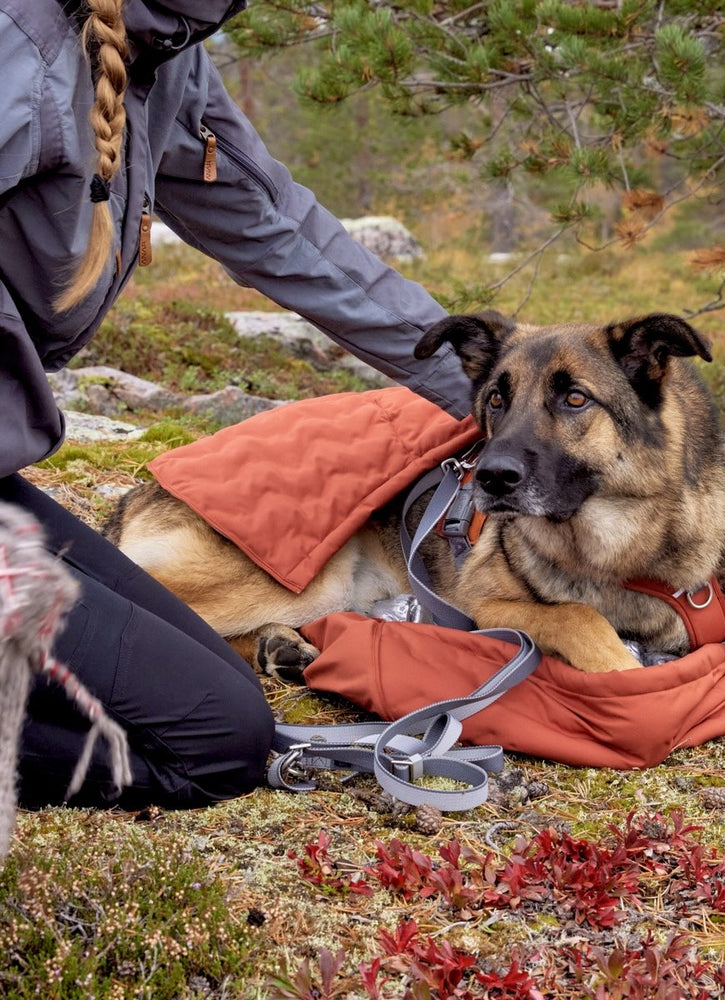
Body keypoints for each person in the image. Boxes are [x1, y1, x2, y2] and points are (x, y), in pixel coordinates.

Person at [0, 0, 472, 809]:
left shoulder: (164, 55)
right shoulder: (20, 44)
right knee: (209, 745)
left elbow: (278, 227)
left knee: (222, 708)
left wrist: (495, 382)